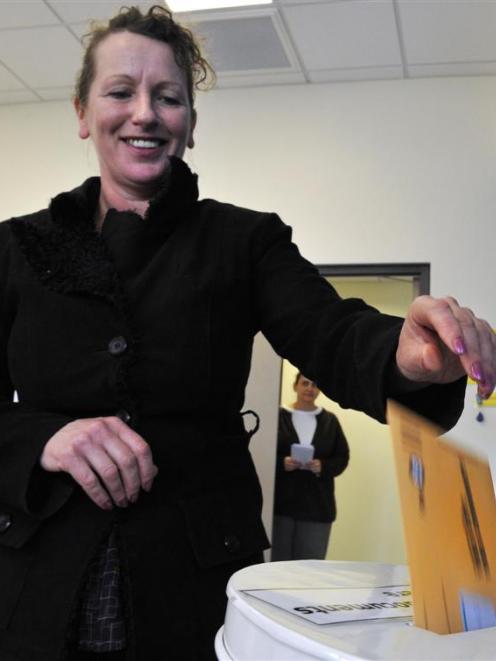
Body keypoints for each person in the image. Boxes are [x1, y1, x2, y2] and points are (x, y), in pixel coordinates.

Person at [0, 5, 494, 661]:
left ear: (190, 125)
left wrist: (404, 358)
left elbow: (331, 330)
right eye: (120, 91)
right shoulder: (18, 247)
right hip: (39, 582)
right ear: (83, 112)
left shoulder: (243, 240)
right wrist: (45, 438)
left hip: (190, 581)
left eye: (168, 97)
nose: (144, 112)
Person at [272, 373, 349, 561]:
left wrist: (322, 466)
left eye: (315, 385)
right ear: (295, 386)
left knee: (309, 567)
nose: (309, 388)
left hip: (317, 506)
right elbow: (264, 452)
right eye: (305, 383)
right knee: (276, 565)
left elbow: (342, 458)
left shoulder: (330, 421)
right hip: (281, 504)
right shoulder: (277, 416)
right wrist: (282, 463)